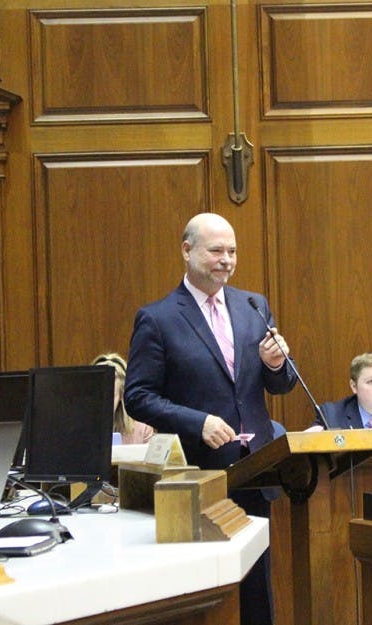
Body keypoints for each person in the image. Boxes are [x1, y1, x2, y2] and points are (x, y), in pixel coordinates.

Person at [124, 212, 297, 625]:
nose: (226, 259)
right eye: (216, 250)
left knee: (257, 592)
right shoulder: (158, 318)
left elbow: (283, 385)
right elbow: (138, 397)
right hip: (196, 479)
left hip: (255, 471)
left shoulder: (254, 306)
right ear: (187, 251)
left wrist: (276, 365)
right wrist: (196, 421)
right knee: (207, 597)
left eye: (232, 251)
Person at [91, 352, 154, 444]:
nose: (101, 402)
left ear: (121, 395)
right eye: (96, 395)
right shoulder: (74, 429)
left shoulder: (142, 430)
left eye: (109, 395)